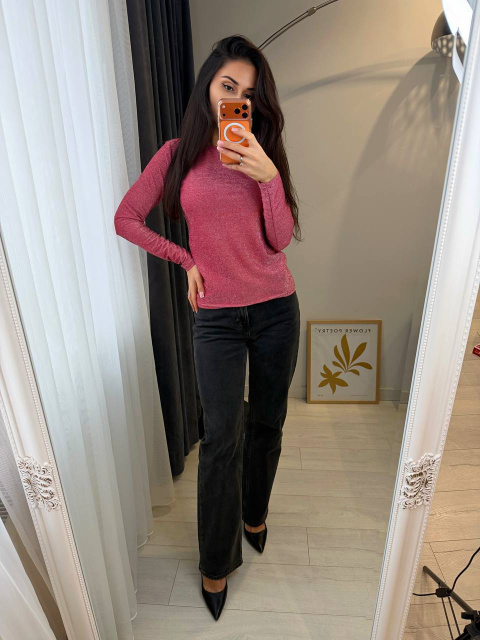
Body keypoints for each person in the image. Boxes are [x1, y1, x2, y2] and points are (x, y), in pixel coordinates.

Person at [114, 34, 301, 621]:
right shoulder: (175, 155)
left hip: (275, 308)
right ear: (207, 87)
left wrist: (268, 175)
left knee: (268, 422)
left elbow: (279, 239)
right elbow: (125, 218)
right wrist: (186, 260)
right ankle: (216, 561)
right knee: (221, 437)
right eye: (227, 86)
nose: (236, 100)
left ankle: (255, 513)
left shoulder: (263, 152)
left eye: (248, 92)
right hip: (216, 317)